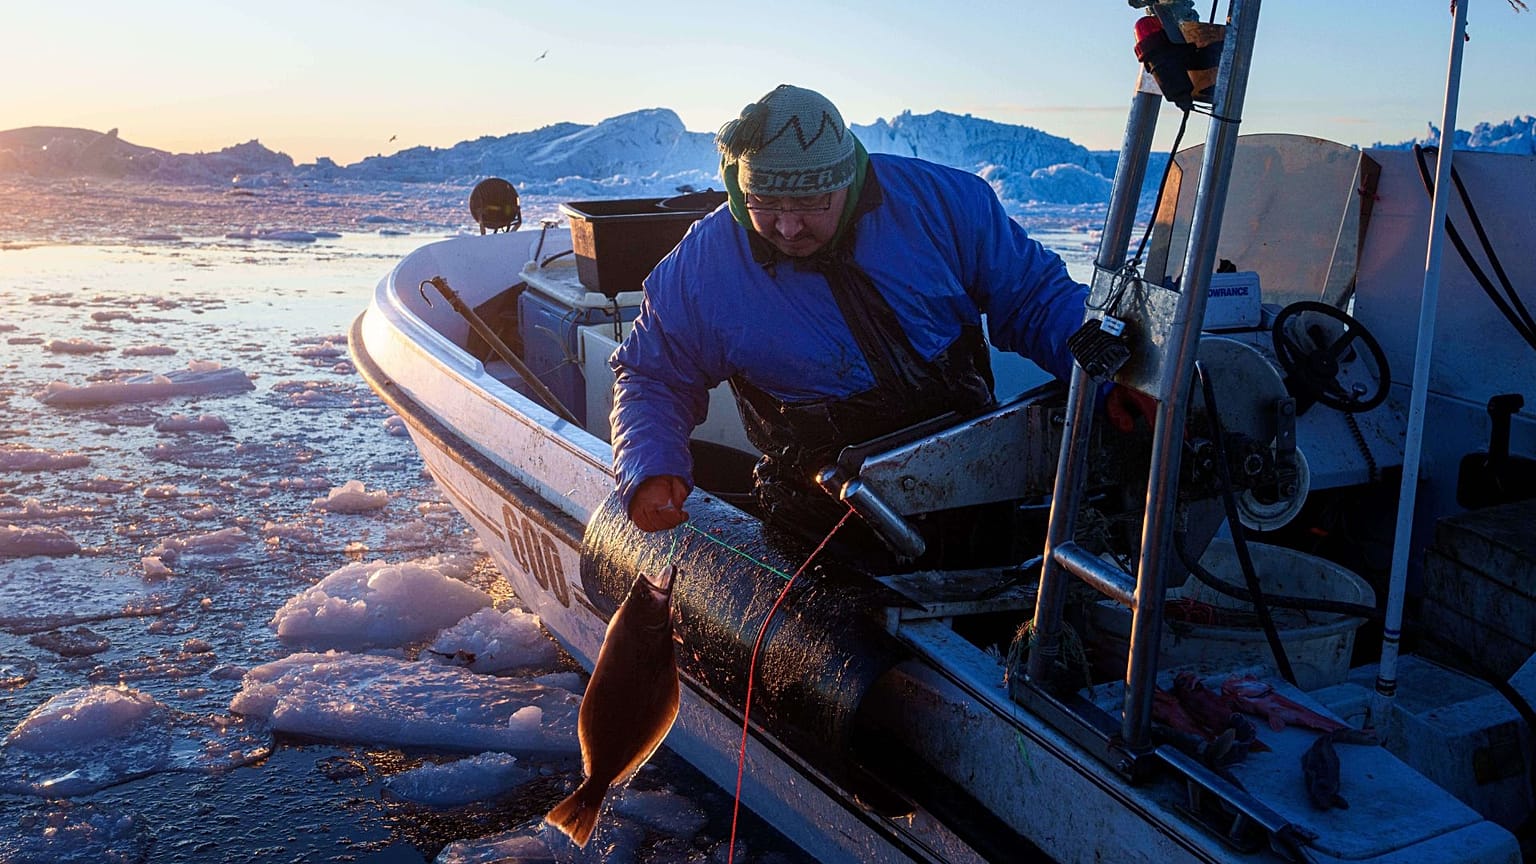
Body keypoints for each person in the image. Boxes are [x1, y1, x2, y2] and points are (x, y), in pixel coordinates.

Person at [609, 84, 1094, 561]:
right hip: (819, 514)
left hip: (971, 477)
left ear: (847, 180)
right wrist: (650, 467)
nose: (788, 227)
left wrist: (1107, 378)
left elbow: (1037, 299)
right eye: (766, 204)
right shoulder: (703, 266)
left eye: (809, 203)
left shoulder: (944, 204)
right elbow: (653, 376)